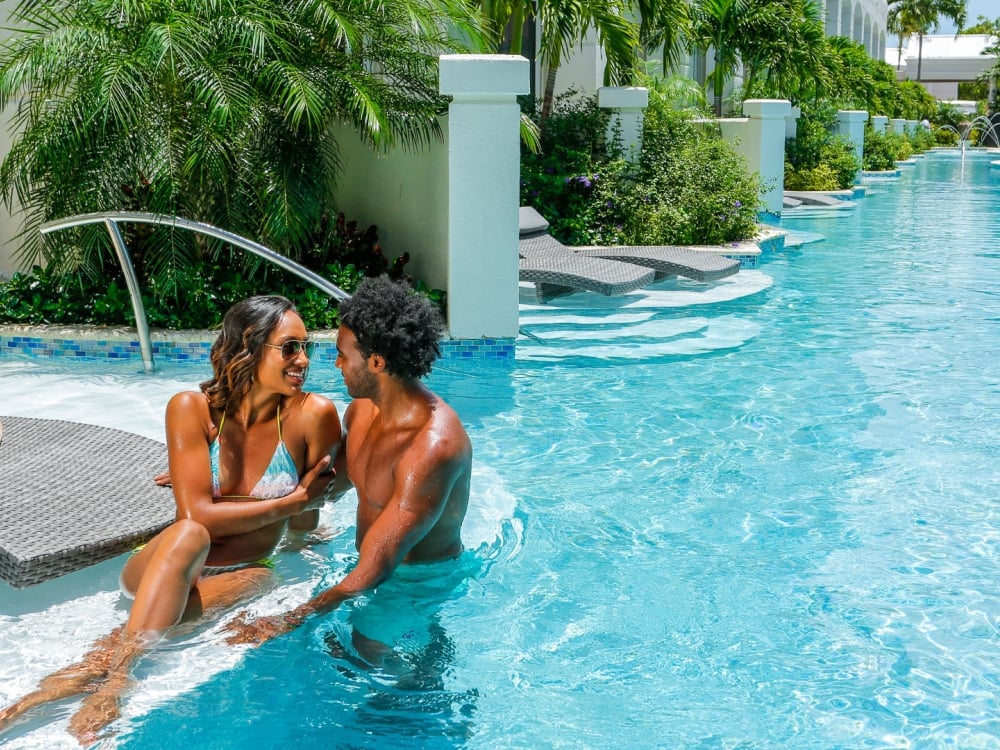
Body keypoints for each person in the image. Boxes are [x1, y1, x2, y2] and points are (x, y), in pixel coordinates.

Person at [0, 295, 342, 743]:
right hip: (167, 562)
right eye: (290, 347)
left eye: (306, 347)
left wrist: (306, 534)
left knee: (259, 580)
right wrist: (291, 503)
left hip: (245, 569)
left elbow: (309, 510)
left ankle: (17, 710)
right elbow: (196, 516)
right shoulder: (191, 408)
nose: (303, 360)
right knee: (189, 533)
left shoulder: (313, 416)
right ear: (249, 347)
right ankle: (121, 681)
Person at [224, 275, 472, 646]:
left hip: (419, 579)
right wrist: (220, 478)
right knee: (349, 653)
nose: (335, 363)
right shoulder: (361, 412)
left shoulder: (432, 448)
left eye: (342, 354)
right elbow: (325, 483)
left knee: (388, 672)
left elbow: (378, 565)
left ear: (375, 361)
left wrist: (289, 619)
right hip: (367, 567)